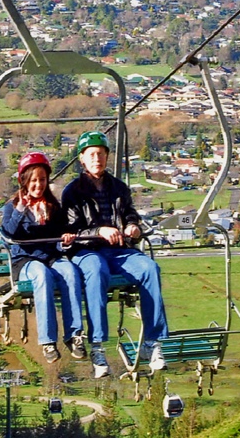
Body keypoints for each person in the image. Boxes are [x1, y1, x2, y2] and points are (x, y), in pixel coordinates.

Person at [62, 131, 169, 379]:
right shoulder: (73, 192)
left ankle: (153, 343)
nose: (97, 159)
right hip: (87, 250)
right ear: (82, 159)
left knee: (150, 269)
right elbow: (72, 230)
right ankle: (98, 347)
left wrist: (132, 226)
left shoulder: (119, 188)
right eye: (92, 155)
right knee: (97, 272)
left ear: (107, 157)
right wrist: (100, 231)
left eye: (101, 154)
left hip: (119, 250)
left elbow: (130, 214)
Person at [1, 151, 86, 363]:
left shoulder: (53, 208)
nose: (38, 185)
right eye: (33, 180)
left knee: (70, 272)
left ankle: (74, 335)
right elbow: (9, 233)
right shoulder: (12, 207)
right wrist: (22, 208)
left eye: (42, 180)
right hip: (26, 261)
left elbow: (58, 235)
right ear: (24, 182)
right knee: (41, 276)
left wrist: (64, 241)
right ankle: (48, 341)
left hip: (50, 257)